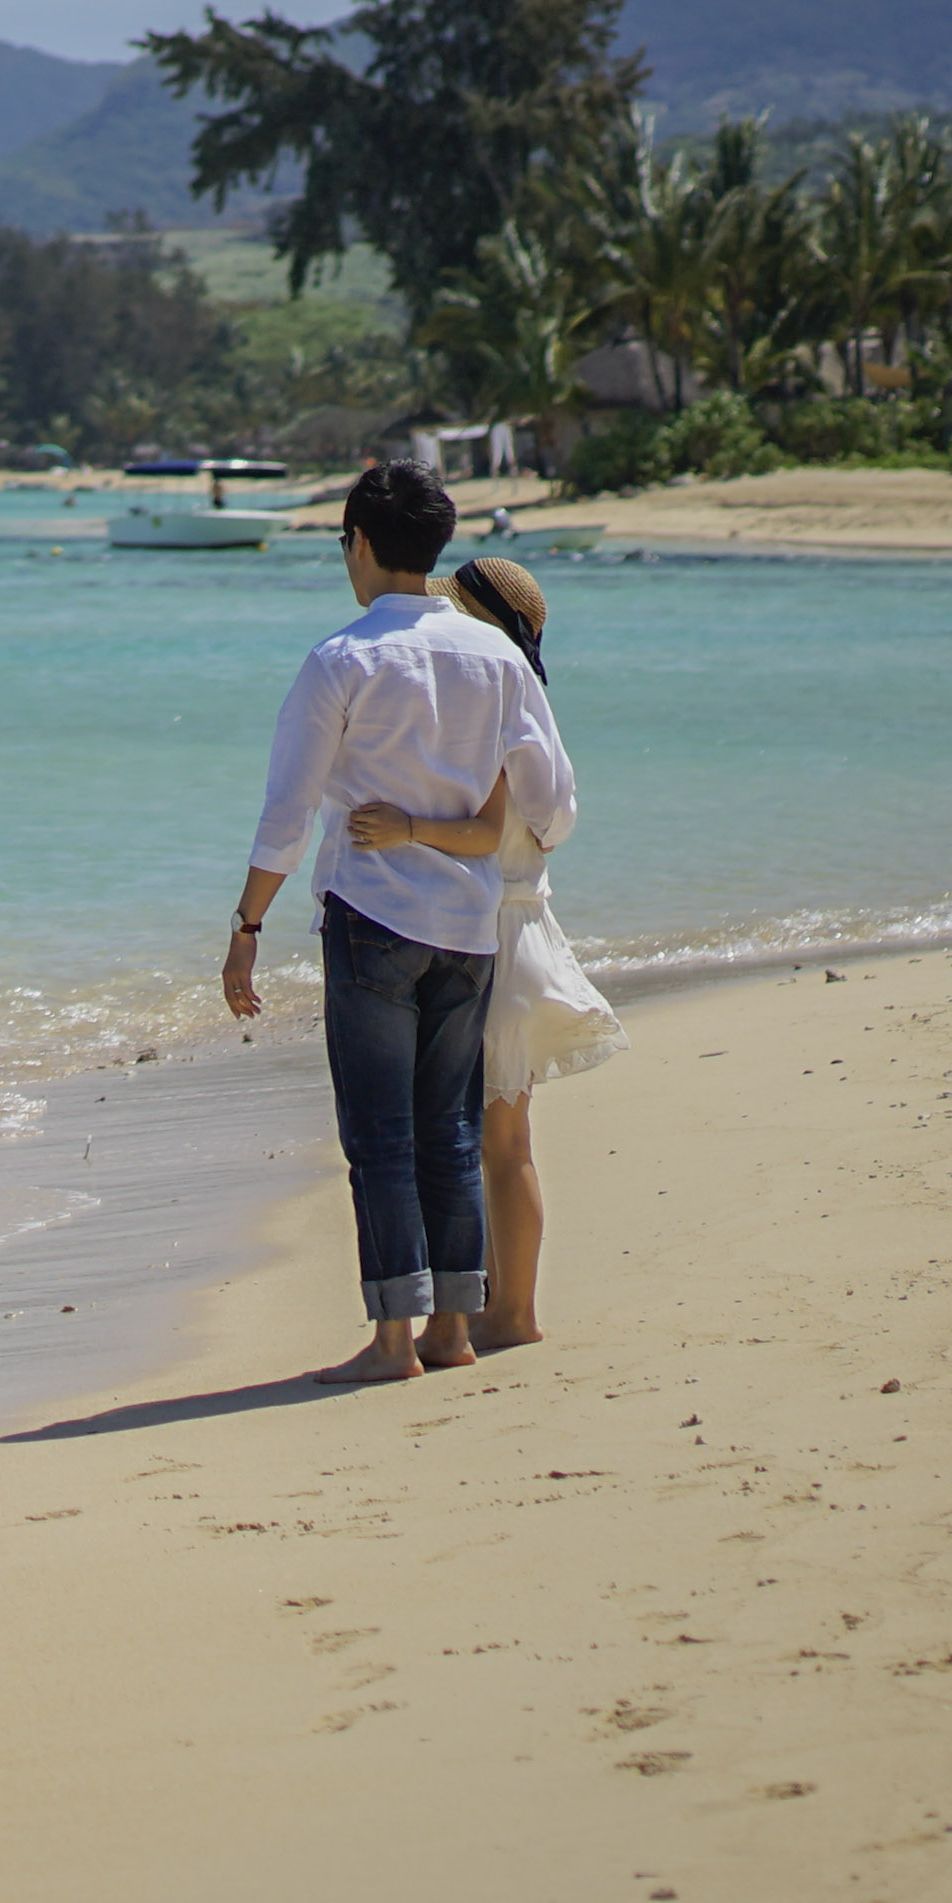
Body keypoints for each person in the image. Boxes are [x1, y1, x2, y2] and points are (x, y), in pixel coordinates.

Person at [218, 460, 576, 1385]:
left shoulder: (340, 659)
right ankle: (451, 1328)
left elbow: (288, 813)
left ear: (361, 545)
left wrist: (248, 926)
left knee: (380, 1135)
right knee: (450, 1129)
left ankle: (390, 1342)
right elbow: (551, 799)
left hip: (373, 915)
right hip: (469, 927)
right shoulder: (497, 657)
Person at [355, 553, 571, 1351]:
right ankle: (503, 1306)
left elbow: (519, 817)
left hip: (491, 926)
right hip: (521, 920)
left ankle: (510, 1312)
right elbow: (558, 818)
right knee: (497, 1136)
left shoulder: (490, 699)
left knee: (494, 1139)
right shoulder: (518, 696)